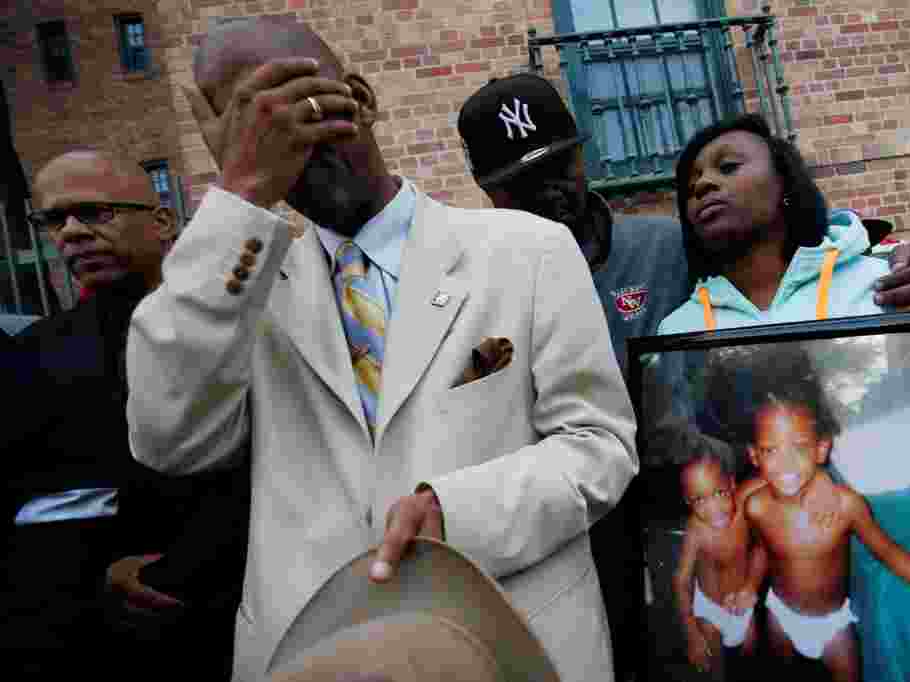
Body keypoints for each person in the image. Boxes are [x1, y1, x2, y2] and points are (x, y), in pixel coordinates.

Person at [130, 18, 637, 682]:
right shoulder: (235, 286)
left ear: (363, 98)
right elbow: (170, 437)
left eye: (306, 99)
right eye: (259, 122)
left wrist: (458, 514)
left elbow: (600, 444)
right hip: (312, 656)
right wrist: (242, 196)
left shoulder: (526, 251)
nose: (297, 137)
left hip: (512, 642)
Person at [458, 72, 687, 682]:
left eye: (558, 166)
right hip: (571, 547)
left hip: (684, 518)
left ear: (583, 155)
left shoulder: (666, 246)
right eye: (521, 184)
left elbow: (782, 263)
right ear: (488, 192)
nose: (548, 191)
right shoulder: (472, 294)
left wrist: (900, 262)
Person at [1, 150, 249, 678]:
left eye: (94, 212)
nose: (71, 232)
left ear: (161, 220)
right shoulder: (32, 355)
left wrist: (180, 572)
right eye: (53, 220)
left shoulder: (239, 325)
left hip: (237, 614)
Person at [716, 345, 910, 681]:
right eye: (771, 450)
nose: (785, 462)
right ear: (755, 456)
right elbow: (764, 550)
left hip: (834, 626)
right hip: (779, 616)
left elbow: (889, 553)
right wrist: (750, 588)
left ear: (821, 448)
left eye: (798, 447)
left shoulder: (845, 505)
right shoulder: (757, 506)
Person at [658, 113, 892, 335]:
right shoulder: (677, 329)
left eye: (728, 166)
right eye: (690, 188)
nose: (703, 184)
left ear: (784, 182)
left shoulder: (885, 285)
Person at [671, 447, 765, 681]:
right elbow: (681, 579)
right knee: (717, 670)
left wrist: (751, 587)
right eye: (700, 499)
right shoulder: (696, 531)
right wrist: (691, 632)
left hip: (743, 604)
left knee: (751, 656)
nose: (714, 508)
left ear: (732, 484)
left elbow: (783, 473)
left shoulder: (744, 505)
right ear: (687, 501)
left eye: (720, 493)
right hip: (709, 611)